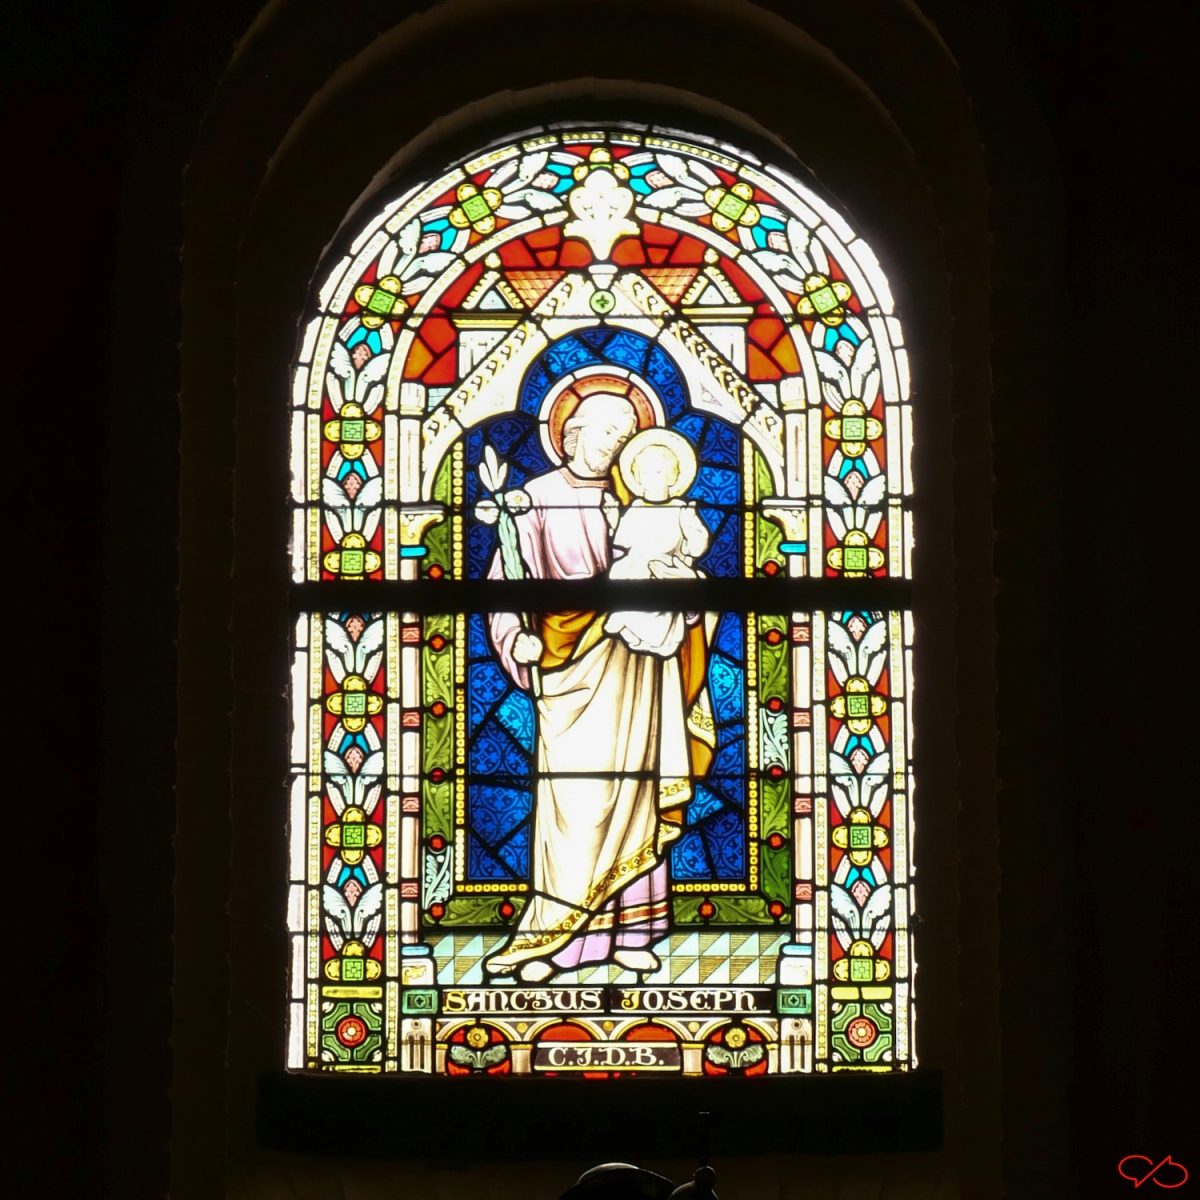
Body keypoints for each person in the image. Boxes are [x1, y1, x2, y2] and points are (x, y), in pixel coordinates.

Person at [482, 392, 716, 982]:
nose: (614, 444)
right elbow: (505, 584)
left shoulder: (640, 500)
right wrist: (515, 639)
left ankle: (633, 933)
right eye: (604, 431)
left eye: (624, 434)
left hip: (642, 669)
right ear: (570, 433)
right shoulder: (534, 500)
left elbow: (685, 572)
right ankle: (556, 941)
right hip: (570, 674)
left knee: (640, 797)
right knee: (576, 806)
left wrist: (686, 597)